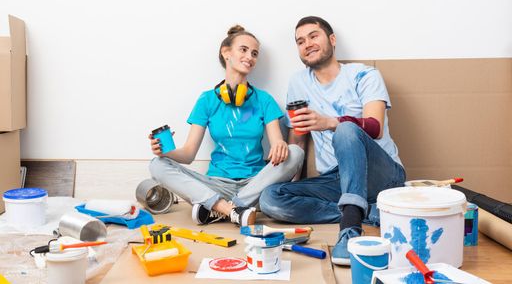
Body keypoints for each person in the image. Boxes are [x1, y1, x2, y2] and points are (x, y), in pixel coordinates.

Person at [259, 16, 405, 265]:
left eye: (314, 36)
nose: (307, 44)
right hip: (336, 179)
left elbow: (375, 127)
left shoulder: (363, 75)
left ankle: (350, 228)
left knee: (346, 130)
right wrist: (296, 184)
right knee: (270, 198)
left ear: (332, 40)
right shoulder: (298, 82)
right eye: (300, 41)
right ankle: (367, 212)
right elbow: (298, 139)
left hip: (381, 174)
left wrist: (330, 122)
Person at [148, 25, 304, 227]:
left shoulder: (264, 100)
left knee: (296, 153)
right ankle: (230, 210)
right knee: (156, 165)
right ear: (226, 52)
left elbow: (277, 143)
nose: (250, 57)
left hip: (255, 184)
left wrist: (280, 145)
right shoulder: (206, 100)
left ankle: (218, 209)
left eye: (254, 53)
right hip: (216, 184)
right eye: (244, 50)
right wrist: (164, 152)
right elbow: (188, 155)